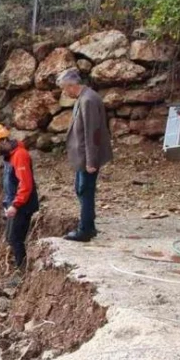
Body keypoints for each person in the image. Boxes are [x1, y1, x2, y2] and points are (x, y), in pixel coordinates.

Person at [57, 68, 112, 242]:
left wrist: (91, 161)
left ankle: (85, 229)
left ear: (72, 85)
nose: (64, 92)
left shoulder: (88, 100)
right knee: (82, 190)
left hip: (87, 156)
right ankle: (89, 223)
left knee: (85, 190)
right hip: (83, 156)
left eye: (64, 88)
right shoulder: (84, 97)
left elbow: (92, 133)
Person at [0, 124, 39, 279]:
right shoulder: (9, 157)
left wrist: (16, 205)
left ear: (3, 141)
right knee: (11, 237)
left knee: (16, 239)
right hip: (14, 204)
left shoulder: (20, 155)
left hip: (22, 205)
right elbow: (10, 183)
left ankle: (22, 273)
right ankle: (19, 268)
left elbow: (26, 184)